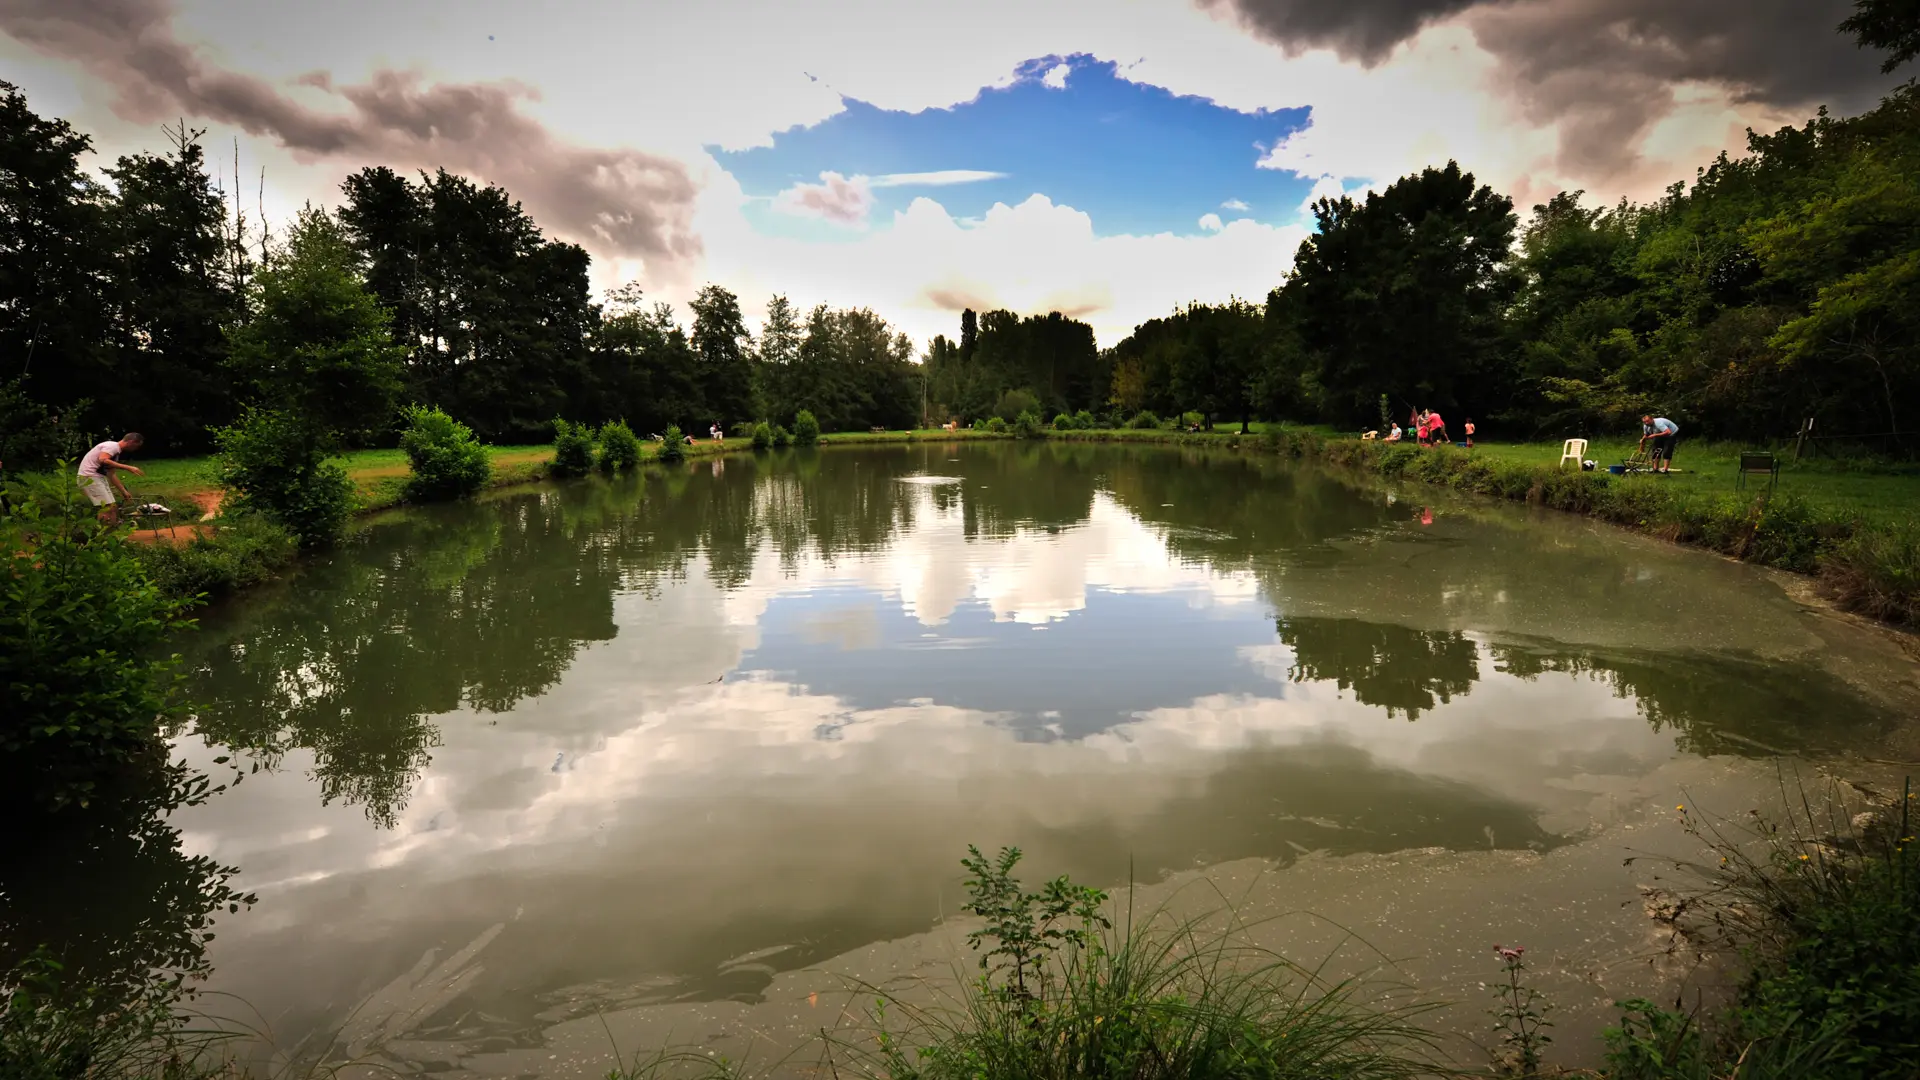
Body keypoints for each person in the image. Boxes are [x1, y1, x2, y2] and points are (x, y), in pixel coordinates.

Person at [77, 432, 145, 525]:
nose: (136, 449)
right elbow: (103, 459)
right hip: (89, 477)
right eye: (137, 446)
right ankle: (103, 535)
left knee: (113, 507)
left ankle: (113, 532)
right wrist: (128, 467)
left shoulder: (115, 452)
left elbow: (111, 474)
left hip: (97, 477)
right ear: (131, 442)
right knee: (105, 507)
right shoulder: (112, 446)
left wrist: (123, 491)